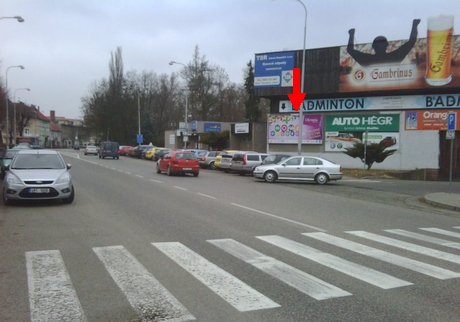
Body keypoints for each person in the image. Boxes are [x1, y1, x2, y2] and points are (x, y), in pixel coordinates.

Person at [347, 19, 421, 66]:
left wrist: (351, 35)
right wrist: (414, 26)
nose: (380, 46)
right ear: (387, 45)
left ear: (373, 46)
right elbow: (411, 42)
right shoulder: (393, 57)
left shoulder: (367, 59)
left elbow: (350, 50)